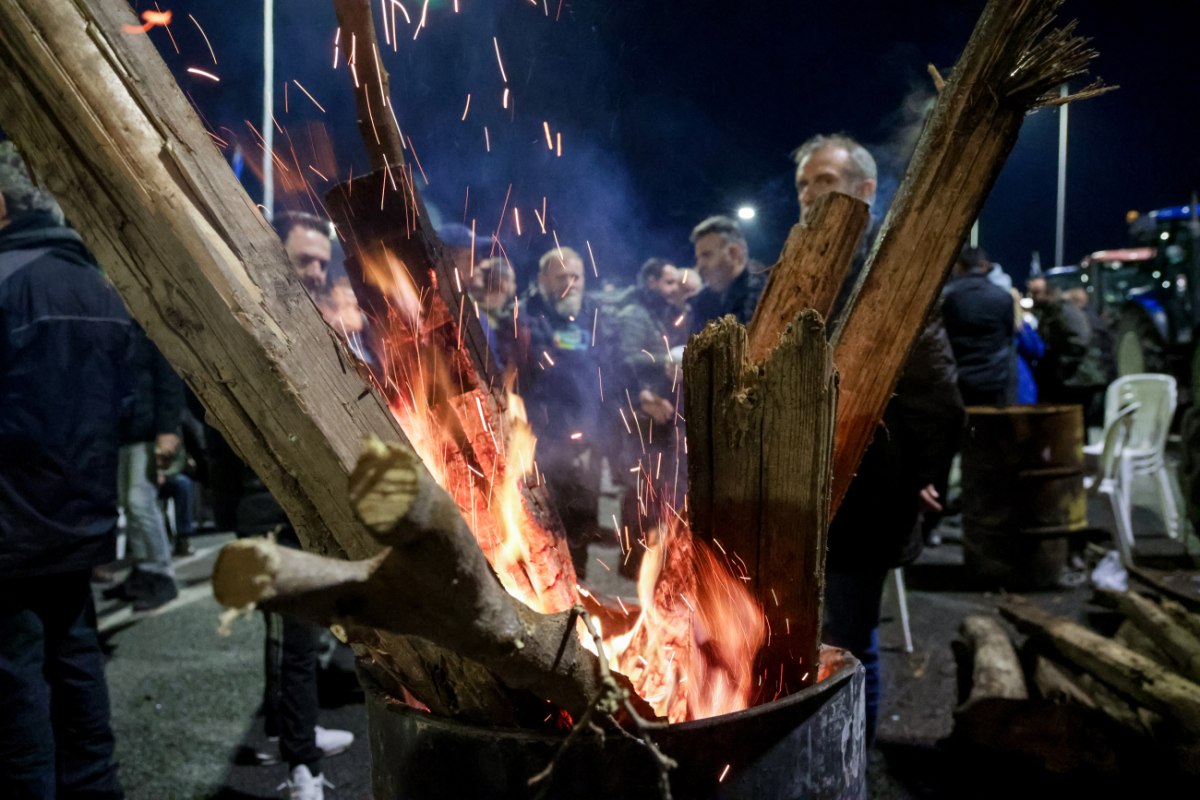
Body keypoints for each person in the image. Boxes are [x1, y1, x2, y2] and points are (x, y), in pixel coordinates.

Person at [793, 133, 964, 744]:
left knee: (846, 643)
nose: (810, 196)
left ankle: (849, 766)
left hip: (864, 499)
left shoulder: (892, 279)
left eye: (825, 181)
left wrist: (922, 477)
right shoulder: (797, 272)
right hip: (792, 494)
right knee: (787, 636)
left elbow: (938, 400)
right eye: (804, 185)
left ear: (866, 192)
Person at [208, 211, 354, 800]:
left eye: (322, 261)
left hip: (306, 504)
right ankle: (302, 769)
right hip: (271, 505)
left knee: (298, 638)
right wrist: (238, 512)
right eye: (304, 260)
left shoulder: (318, 321)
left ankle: (291, 729)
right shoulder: (249, 324)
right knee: (294, 641)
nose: (316, 271)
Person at [0, 140, 129, 798]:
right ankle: (96, 787)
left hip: (10, 525)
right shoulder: (95, 285)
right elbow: (124, 407)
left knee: (15, 676)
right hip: (79, 517)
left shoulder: (6, 280)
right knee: (77, 655)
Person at [502, 246, 622, 576]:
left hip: (593, 426)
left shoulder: (596, 314)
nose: (570, 284)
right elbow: (520, 371)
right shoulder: (524, 316)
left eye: (575, 277)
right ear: (543, 279)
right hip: (547, 432)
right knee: (554, 512)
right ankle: (562, 575)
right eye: (561, 277)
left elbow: (612, 363)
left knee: (592, 504)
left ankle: (589, 575)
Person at [102, 323, 184, 611]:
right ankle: (145, 570)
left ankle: (161, 573)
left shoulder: (147, 327)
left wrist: (168, 429)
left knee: (140, 502)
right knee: (131, 504)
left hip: (146, 430)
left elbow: (168, 378)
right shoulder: (120, 326)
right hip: (123, 430)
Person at [613, 258, 685, 568]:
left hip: (659, 413)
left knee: (658, 485)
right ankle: (633, 560)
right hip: (642, 413)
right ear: (652, 282)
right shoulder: (635, 314)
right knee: (641, 485)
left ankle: (650, 559)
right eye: (669, 282)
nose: (674, 288)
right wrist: (666, 359)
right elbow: (626, 359)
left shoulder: (658, 313)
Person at [1027, 275, 1110, 426]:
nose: (1033, 297)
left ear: (1048, 292)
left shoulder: (1063, 309)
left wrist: (1061, 364)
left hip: (1079, 379)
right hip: (1073, 378)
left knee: (1076, 425)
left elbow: (1080, 339)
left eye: (1037, 292)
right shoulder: (1050, 311)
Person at [941, 246, 1017, 406]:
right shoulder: (1003, 297)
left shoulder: (948, 296)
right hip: (995, 379)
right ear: (984, 266)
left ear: (958, 267)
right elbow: (1009, 336)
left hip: (959, 379)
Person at [687, 215, 765, 333]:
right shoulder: (702, 302)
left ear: (734, 253)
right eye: (698, 258)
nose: (700, 267)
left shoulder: (765, 292)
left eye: (707, 255)